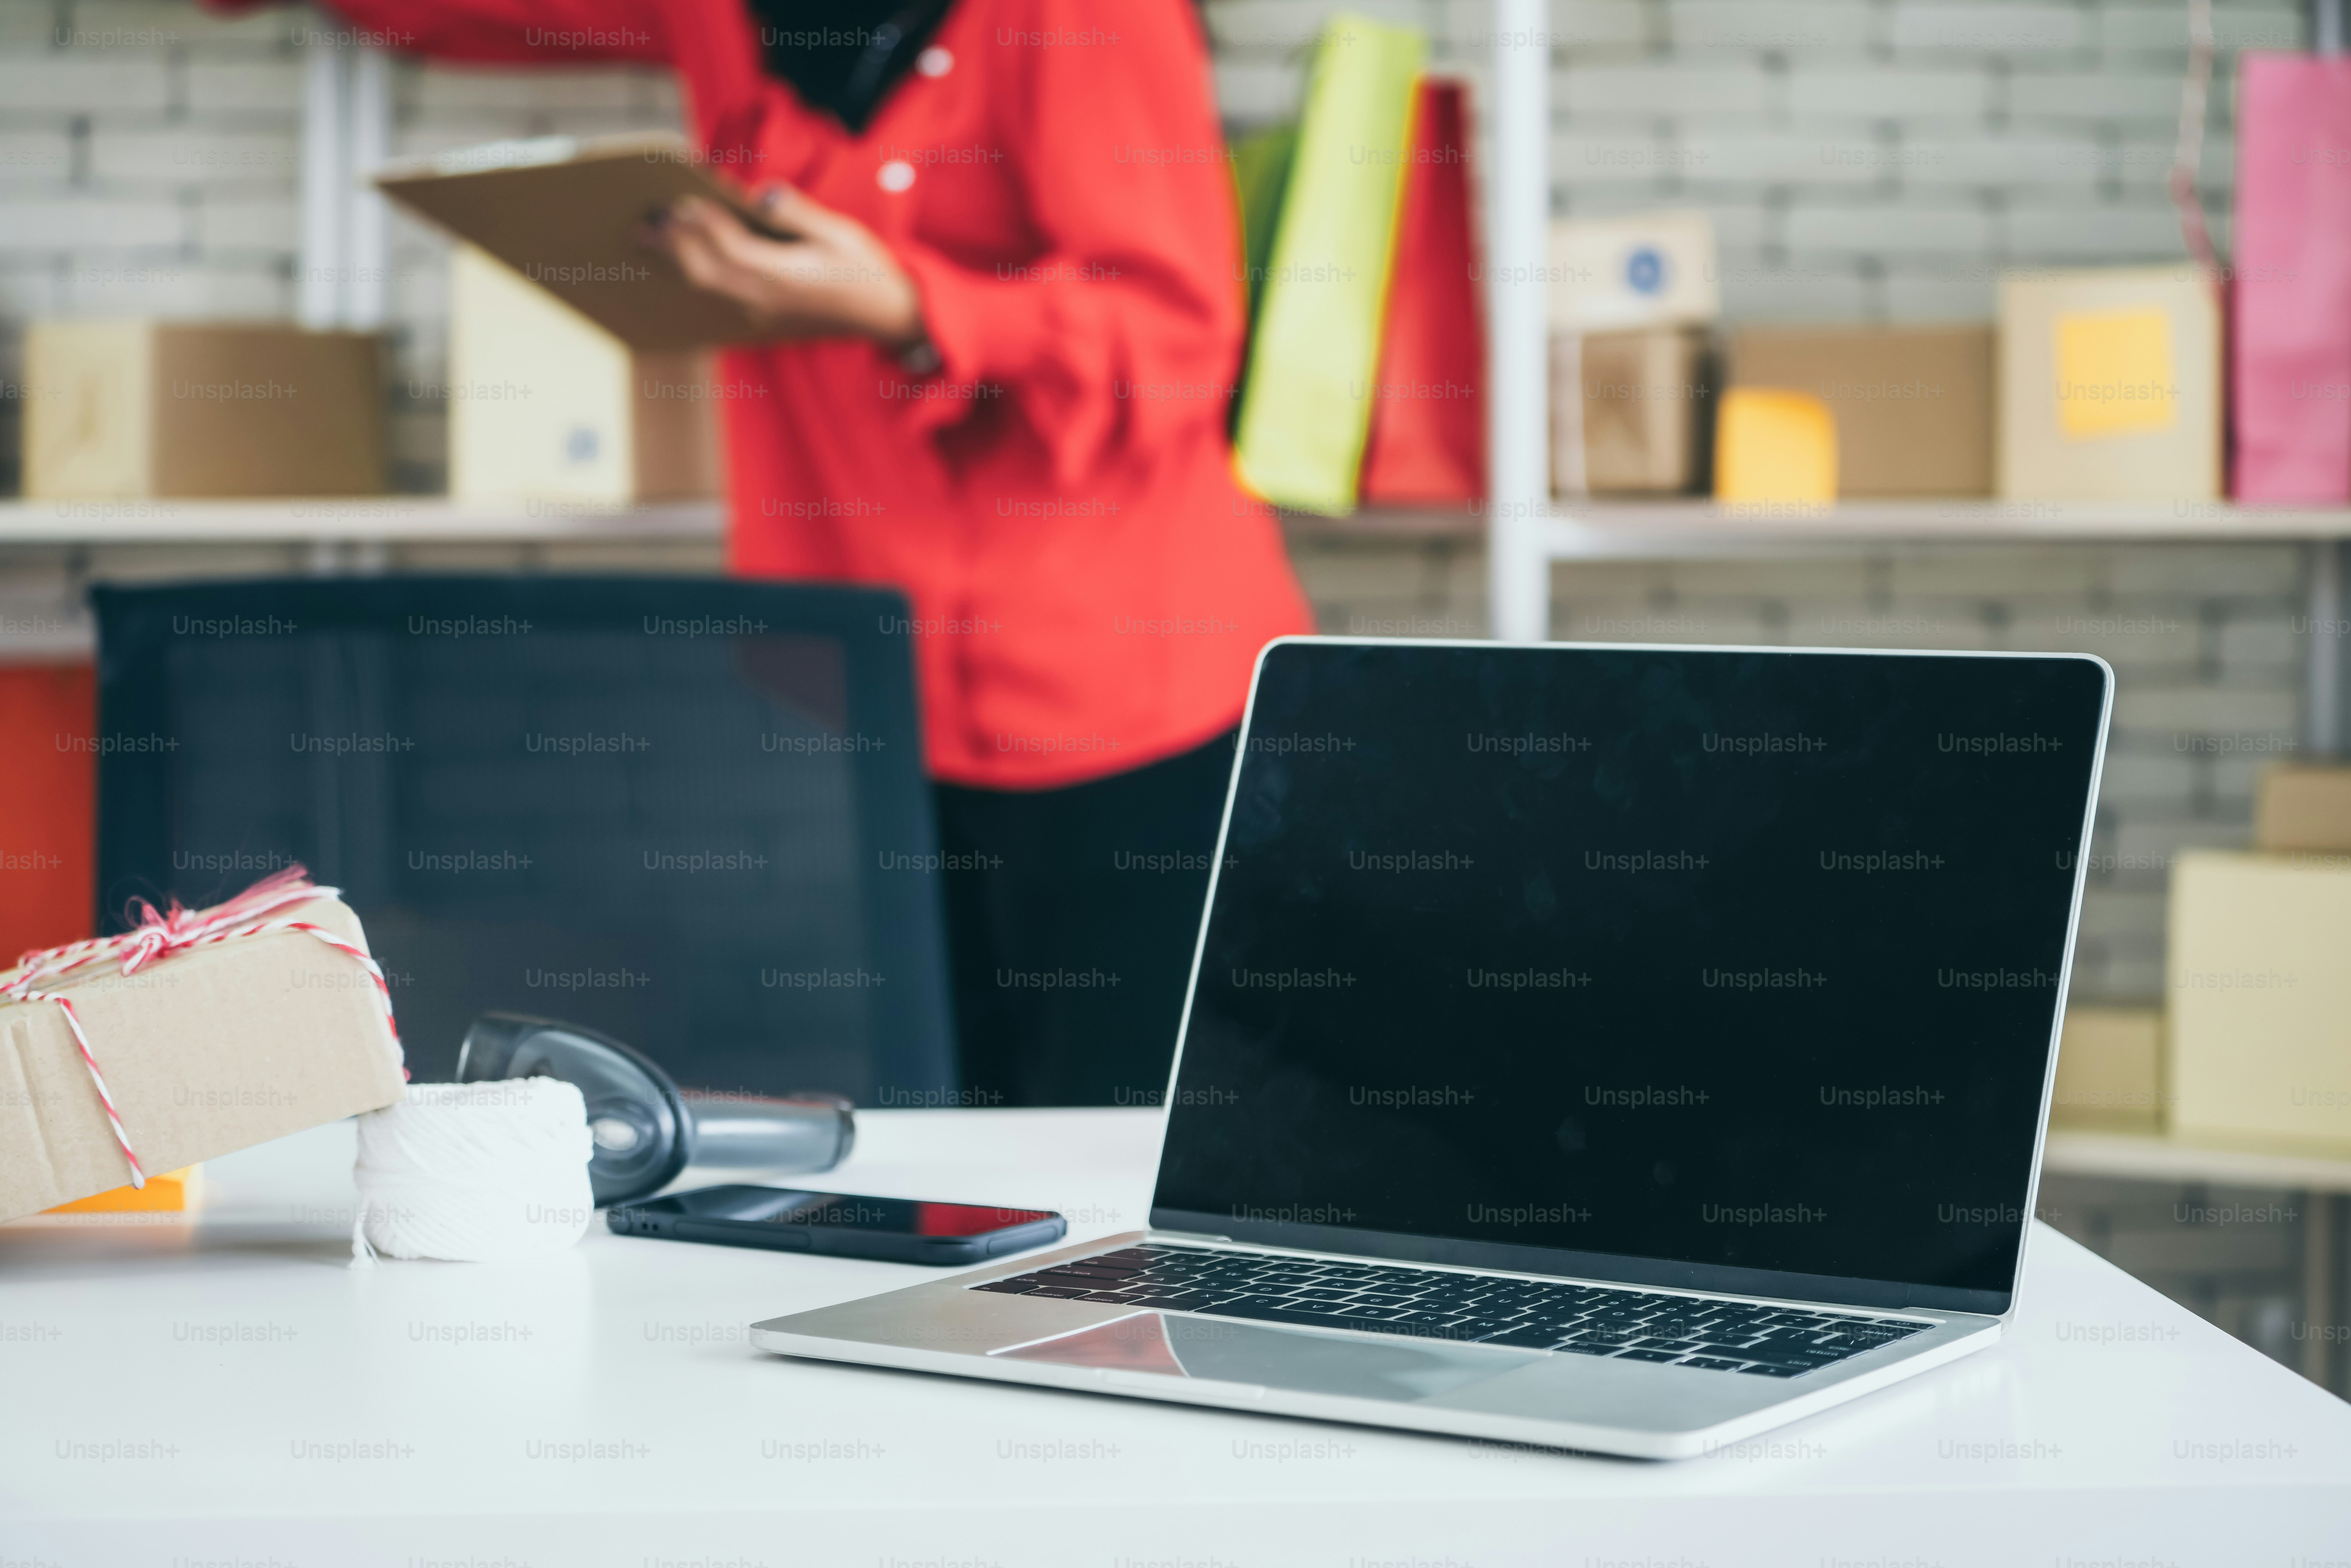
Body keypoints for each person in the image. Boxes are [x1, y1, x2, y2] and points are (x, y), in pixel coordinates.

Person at [259, 0, 1314, 1105]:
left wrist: (911, 303)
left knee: (1115, 1143)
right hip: (867, 681)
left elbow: (1179, 340)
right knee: (939, 1140)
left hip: (1116, 685)